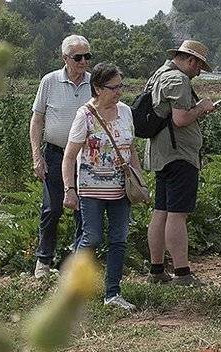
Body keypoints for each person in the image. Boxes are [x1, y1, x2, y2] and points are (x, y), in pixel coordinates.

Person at [61, 63, 138, 310]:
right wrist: (69, 190)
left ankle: (112, 293)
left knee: (119, 239)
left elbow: (131, 148)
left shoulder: (125, 111)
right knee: (91, 236)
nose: (118, 92)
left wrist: (139, 179)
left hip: (121, 190)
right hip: (90, 190)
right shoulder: (84, 115)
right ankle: (73, 289)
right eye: (113, 87)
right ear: (97, 88)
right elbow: (70, 156)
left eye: (120, 86)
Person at [145, 40, 218, 287]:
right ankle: (182, 272)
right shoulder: (178, 80)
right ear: (191, 60)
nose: (198, 72)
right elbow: (181, 118)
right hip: (179, 155)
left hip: (161, 153)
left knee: (161, 211)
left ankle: (156, 269)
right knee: (178, 214)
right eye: (199, 67)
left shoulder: (158, 75)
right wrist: (203, 107)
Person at [29, 34, 91, 278]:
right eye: (78, 57)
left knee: (84, 210)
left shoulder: (94, 83)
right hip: (55, 153)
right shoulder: (50, 81)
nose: (84, 62)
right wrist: (37, 155)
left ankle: (77, 265)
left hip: (86, 157)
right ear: (65, 58)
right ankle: (43, 261)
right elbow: (37, 119)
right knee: (52, 208)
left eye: (87, 56)